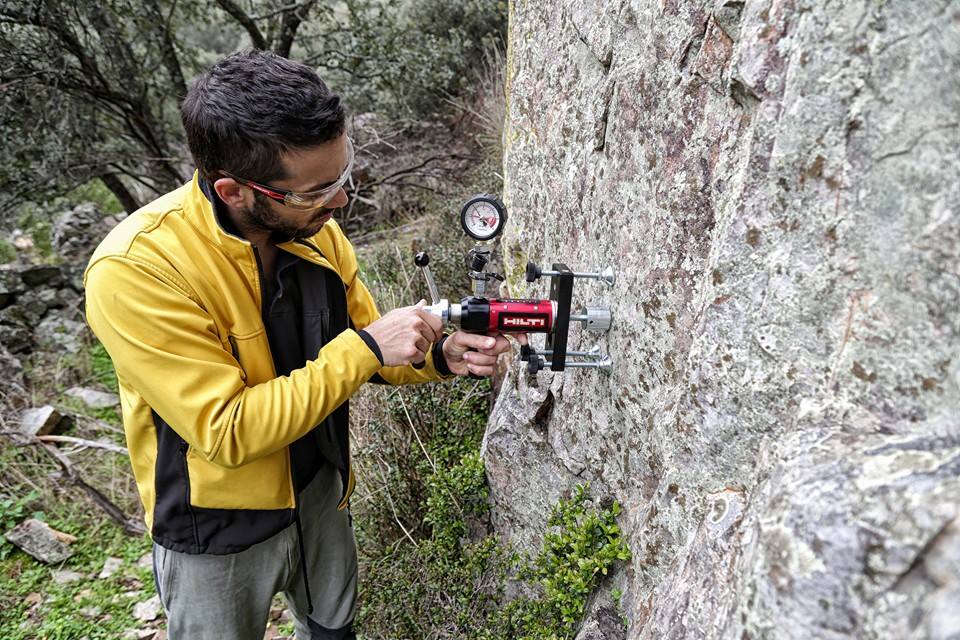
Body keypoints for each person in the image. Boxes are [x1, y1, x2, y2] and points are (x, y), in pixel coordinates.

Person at [83, 50, 516, 640]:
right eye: (316, 190)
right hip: (216, 529)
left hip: (320, 495)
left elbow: (370, 354)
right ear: (235, 190)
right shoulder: (137, 270)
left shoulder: (316, 230)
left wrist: (437, 356)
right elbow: (228, 431)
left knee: (335, 632)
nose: (340, 202)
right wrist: (365, 348)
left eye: (344, 175)